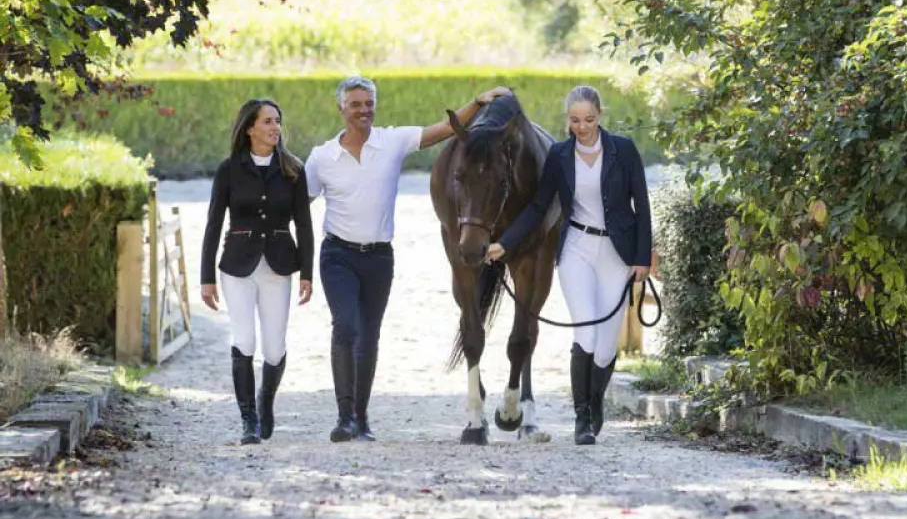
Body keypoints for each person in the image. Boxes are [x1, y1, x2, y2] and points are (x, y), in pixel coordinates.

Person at [305, 76, 512, 443]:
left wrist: (478, 102)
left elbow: (445, 129)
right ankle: (345, 418)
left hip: (378, 257)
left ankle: (361, 419)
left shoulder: (392, 141)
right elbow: (297, 201)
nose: (364, 110)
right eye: (356, 104)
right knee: (346, 327)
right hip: (337, 254)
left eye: (369, 103)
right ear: (341, 108)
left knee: (369, 335)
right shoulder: (322, 157)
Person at [486, 85, 652, 445]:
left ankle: (595, 402)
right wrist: (505, 243)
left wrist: (643, 258)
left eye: (589, 119)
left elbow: (642, 204)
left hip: (616, 252)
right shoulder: (560, 155)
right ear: (568, 119)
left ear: (600, 116)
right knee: (586, 332)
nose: (582, 127)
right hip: (577, 248)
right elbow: (538, 207)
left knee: (606, 345)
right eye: (575, 120)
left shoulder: (623, 150)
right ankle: (582, 420)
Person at [200, 98, 314, 445]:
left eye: (277, 121)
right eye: (267, 121)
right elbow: (213, 223)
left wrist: (307, 273)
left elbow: (305, 225)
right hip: (237, 266)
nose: (275, 127)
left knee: (275, 349)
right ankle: (248, 419)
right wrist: (206, 277)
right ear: (250, 128)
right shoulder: (229, 169)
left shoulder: (293, 169)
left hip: (279, 265)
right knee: (245, 339)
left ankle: (266, 400)